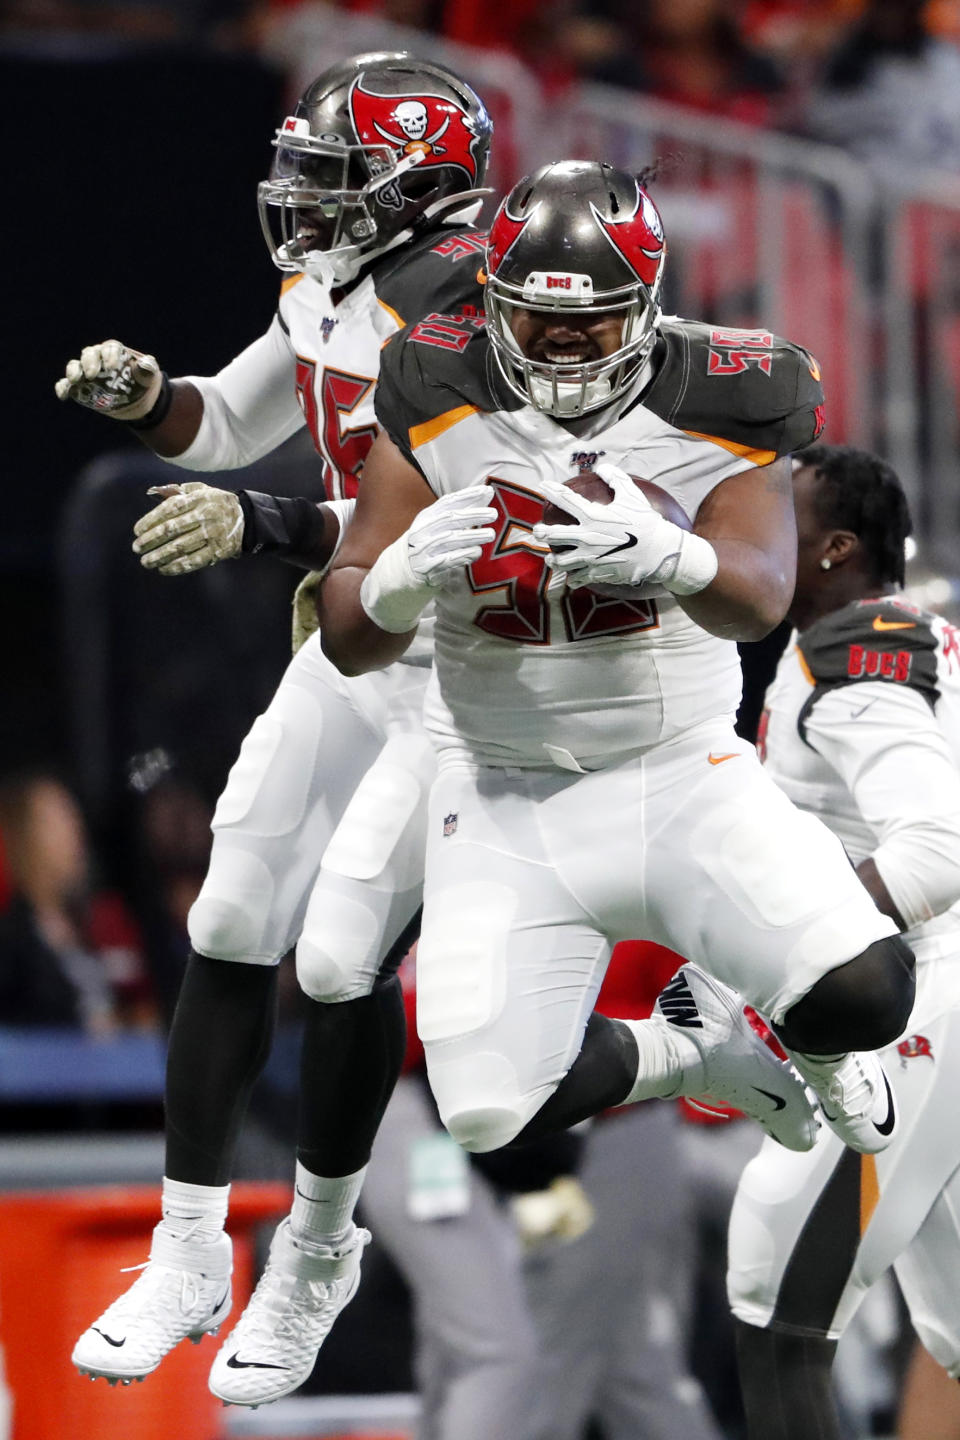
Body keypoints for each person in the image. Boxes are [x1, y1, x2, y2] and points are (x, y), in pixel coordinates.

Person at [316, 158, 917, 1176]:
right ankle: (694, 1053)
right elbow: (345, 628)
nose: (558, 342)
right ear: (492, 300)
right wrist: (396, 581)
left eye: (589, 319)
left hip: (676, 769)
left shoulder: (734, 384)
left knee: (866, 993)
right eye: (530, 314)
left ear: (645, 303)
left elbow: (760, 593)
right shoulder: (433, 373)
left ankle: (805, 1048)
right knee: (489, 1115)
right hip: (503, 788)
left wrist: (671, 557)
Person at [57, 50, 498, 1408]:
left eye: (334, 177)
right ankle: (190, 1248)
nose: (302, 201)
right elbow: (232, 421)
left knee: (344, 951)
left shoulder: (481, 314)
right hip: (354, 646)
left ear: (414, 189)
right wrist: (152, 404)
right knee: (233, 915)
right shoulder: (335, 282)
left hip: (475, 671)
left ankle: (316, 1248)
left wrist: (266, 524)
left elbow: (449, 528)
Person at [727, 445, 960, 1440]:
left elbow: (938, 849)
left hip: (923, 1008)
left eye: (783, 515)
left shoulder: (851, 653)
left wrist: (807, 942)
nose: (752, 531)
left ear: (835, 548)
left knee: (776, 1308)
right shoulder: (915, 636)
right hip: (932, 1001)